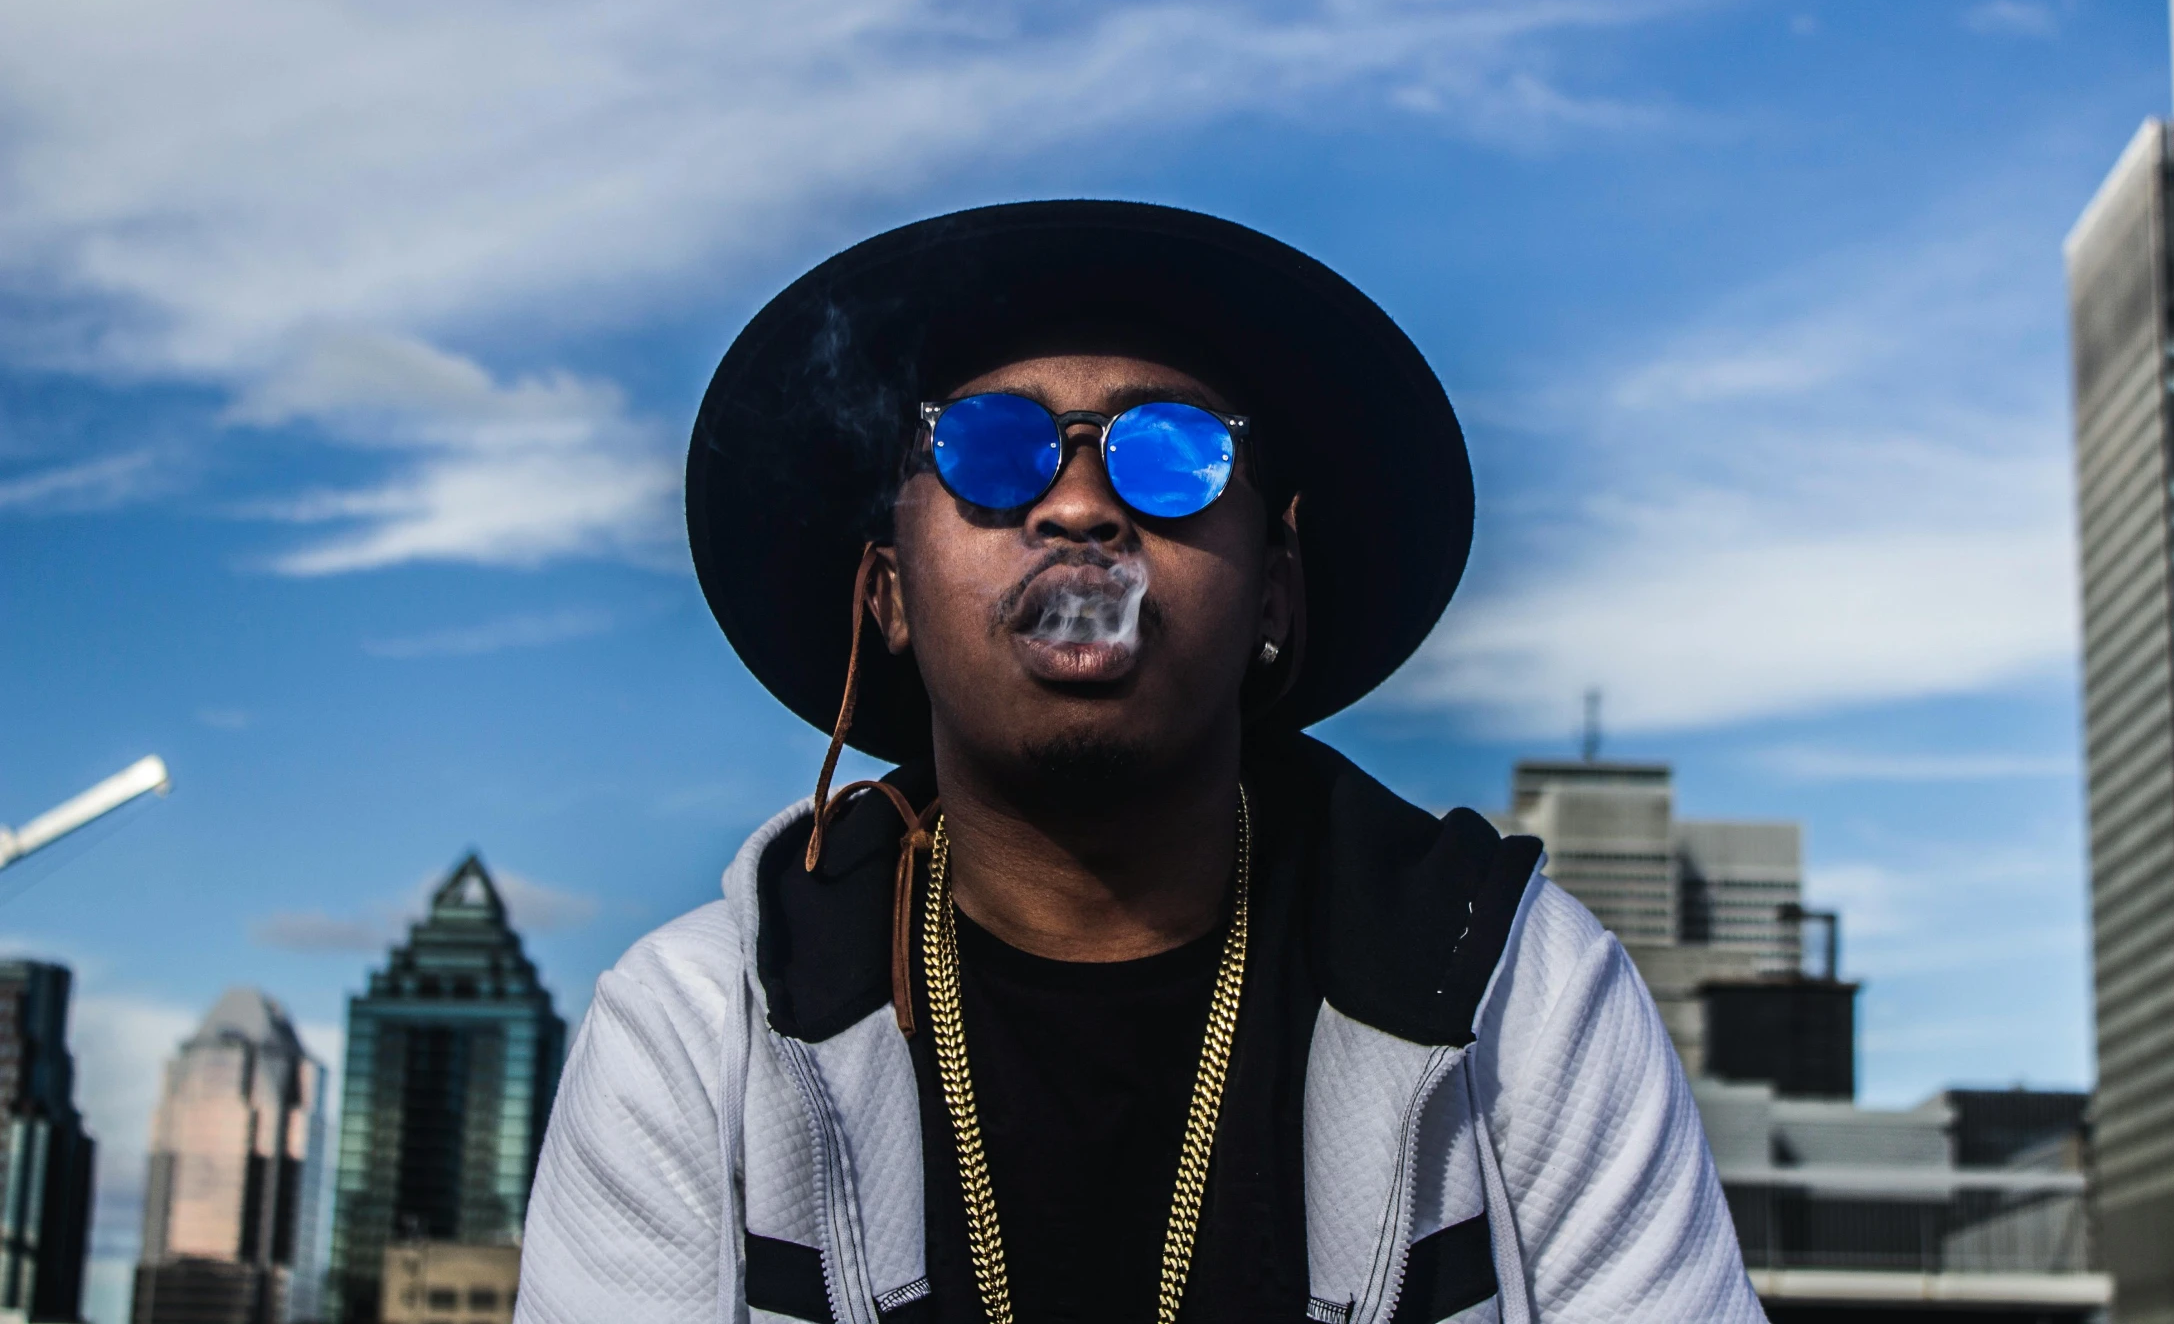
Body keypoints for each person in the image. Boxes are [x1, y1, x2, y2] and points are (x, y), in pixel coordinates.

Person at [516, 202, 1762, 1323]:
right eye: (992, 452)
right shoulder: (694, 1033)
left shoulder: (1517, 994)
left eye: (1169, 455)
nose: (1078, 510)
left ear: (1273, 590)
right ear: (889, 591)